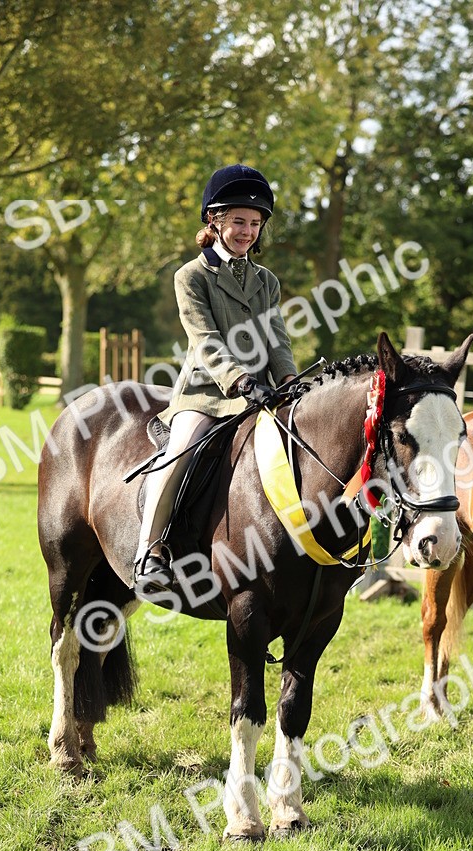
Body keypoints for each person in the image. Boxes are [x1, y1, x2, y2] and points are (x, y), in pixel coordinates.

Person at [133, 164, 297, 593]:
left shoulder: (267, 282)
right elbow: (204, 339)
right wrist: (240, 380)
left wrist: (290, 380)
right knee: (180, 453)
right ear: (214, 220)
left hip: (262, 393)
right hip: (207, 394)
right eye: (239, 221)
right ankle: (150, 551)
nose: (247, 231)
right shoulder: (190, 276)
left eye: (255, 224)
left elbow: (277, 341)